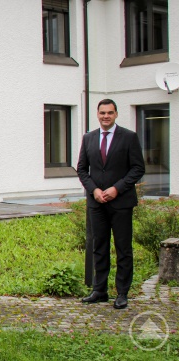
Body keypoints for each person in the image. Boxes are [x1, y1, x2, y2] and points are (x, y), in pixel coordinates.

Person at [77, 99, 145, 310]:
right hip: (97, 203)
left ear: (116, 114)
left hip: (121, 202)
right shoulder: (88, 138)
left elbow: (137, 168)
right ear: (97, 114)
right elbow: (81, 169)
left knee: (123, 248)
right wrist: (94, 190)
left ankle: (122, 293)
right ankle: (100, 290)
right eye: (102, 113)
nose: (106, 116)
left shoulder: (129, 137)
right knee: (99, 246)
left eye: (110, 113)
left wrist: (117, 188)